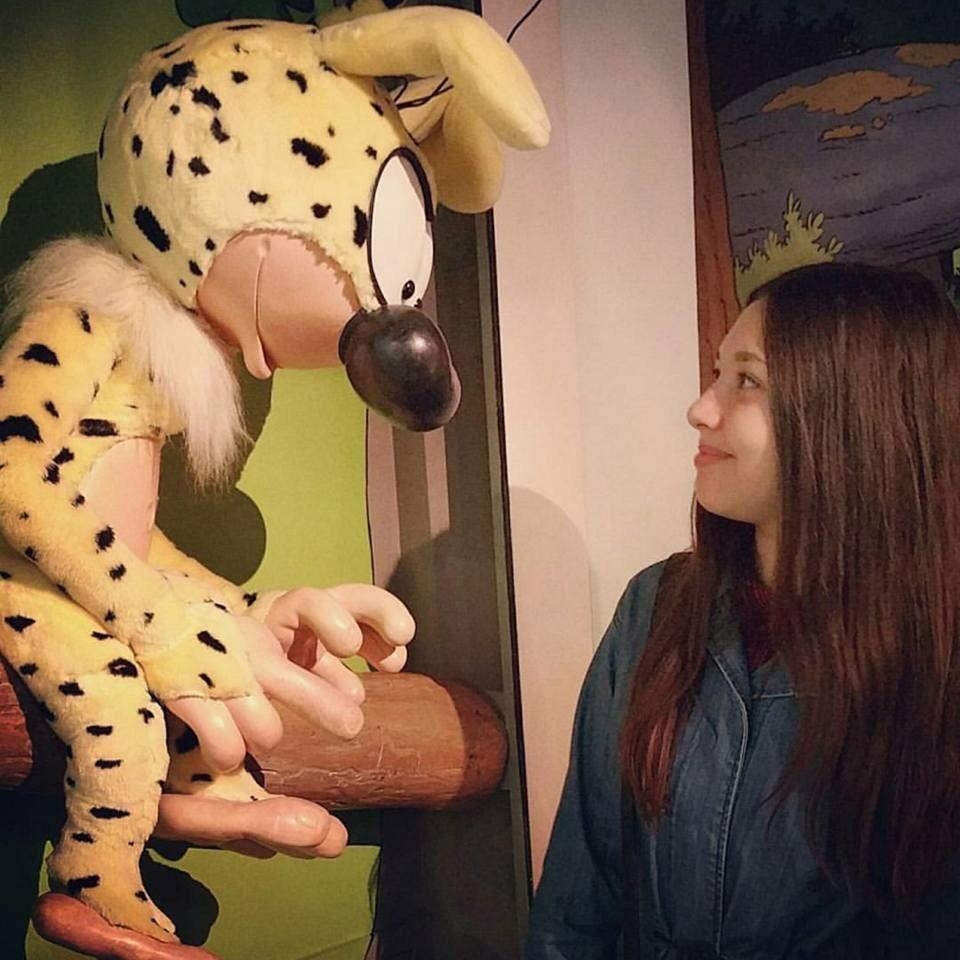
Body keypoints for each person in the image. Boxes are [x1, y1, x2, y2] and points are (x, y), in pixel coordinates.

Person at [525, 262, 960, 959]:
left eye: (747, 380)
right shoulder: (657, 609)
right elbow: (579, 902)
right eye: (716, 373)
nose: (701, 409)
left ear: (852, 413)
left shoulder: (935, 653)